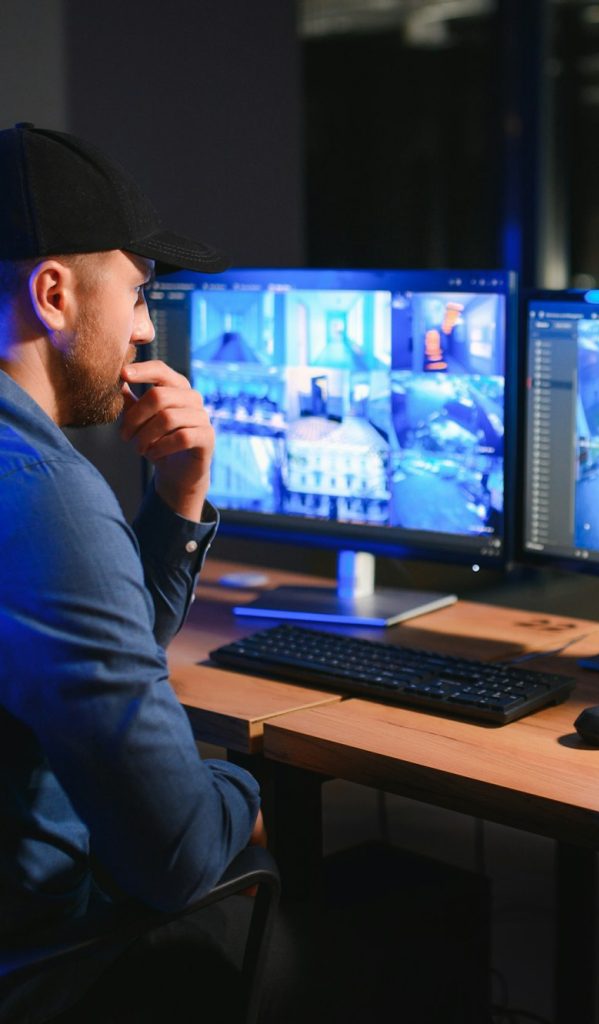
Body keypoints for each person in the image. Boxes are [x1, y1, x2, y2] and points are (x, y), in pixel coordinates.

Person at [0, 123, 265, 1021]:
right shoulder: (46, 497)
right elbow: (177, 853)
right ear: (54, 294)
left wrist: (179, 496)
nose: (148, 332)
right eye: (140, 294)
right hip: (34, 963)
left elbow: (91, 658)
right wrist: (243, 783)